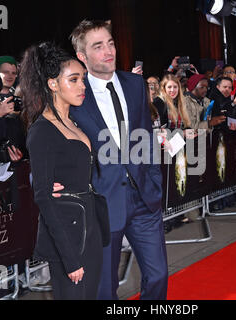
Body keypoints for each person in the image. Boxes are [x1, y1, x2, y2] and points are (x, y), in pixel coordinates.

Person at [68, 19, 167, 300]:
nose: (108, 51)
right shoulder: (73, 94)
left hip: (144, 197)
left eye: (110, 43)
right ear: (82, 56)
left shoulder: (135, 83)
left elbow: (145, 135)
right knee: (104, 288)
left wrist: (153, 179)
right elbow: (54, 145)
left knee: (158, 274)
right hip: (101, 203)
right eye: (98, 47)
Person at [20, 42, 105, 300]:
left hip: (90, 226)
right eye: (74, 79)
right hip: (69, 237)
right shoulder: (42, 131)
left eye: (83, 79)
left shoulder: (74, 120)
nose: (82, 86)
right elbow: (44, 197)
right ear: (53, 84)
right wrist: (69, 258)